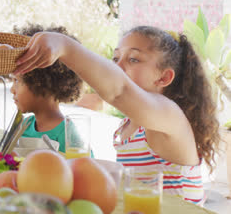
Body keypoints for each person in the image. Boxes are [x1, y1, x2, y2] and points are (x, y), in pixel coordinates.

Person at [15, 25, 220, 205]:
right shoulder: (128, 126)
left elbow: (119, 90)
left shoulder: (171, 117)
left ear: (164, 77)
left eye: (133, 59)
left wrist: (65, 46)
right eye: (115, 58)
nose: (117, 67)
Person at [11, 24, 83, 152]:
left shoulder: (68, 136)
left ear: (40, 82)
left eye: (17, 81)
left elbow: (86, 168)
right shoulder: (23, 126)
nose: (12, 89)